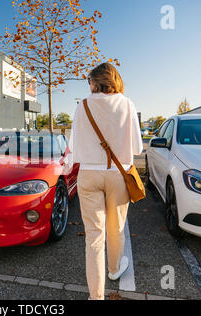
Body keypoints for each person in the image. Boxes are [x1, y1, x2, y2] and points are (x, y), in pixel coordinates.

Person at [69, 62, 143, 300]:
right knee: (116, 228)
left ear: (96, 81)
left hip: (88, 174)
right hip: (117, 175)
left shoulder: (82, 106)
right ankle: (114, 270)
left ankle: (96, 296)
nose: (89, 84)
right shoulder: (127, 104)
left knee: (94, 236)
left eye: (89, 80)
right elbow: (138, 148)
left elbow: (72, 146)